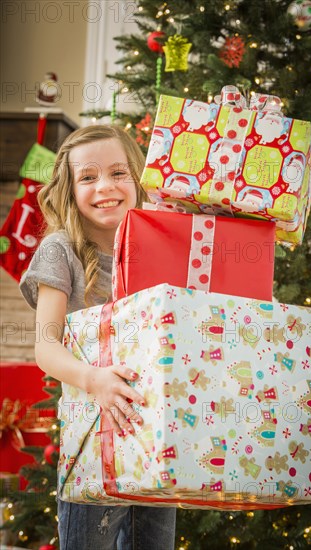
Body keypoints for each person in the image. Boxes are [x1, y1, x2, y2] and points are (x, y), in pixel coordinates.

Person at [19, 125, 177, 550]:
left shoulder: (163, 246)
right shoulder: (60, 249)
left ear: (139, 178)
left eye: (118, 173)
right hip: (92, 436)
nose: (105, 186)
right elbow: (46, 348)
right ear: (69, 189)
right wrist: (95, 381)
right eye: (88, 177)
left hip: (155, 434)